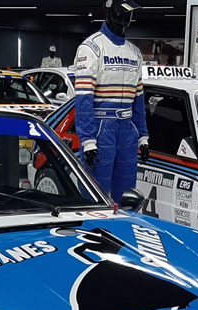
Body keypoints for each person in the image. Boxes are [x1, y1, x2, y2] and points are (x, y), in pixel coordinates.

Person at [73, 0, 149, 202]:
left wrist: (143, 137)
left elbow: (138, 100)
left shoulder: (135, 53)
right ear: (109, 12)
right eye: (121, 12)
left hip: (127, 129)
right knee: (95, 194)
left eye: (130, 13)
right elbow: (83, 99)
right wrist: (88, 141)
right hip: (101, 130)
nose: (126, 17)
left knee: (127, 195)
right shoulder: (91, 48)